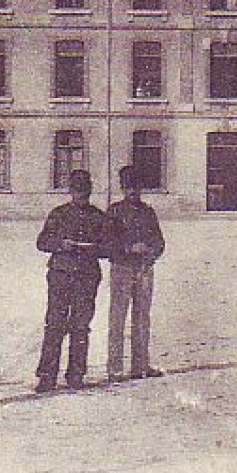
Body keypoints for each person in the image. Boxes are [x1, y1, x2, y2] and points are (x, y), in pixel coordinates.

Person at [35, 169, 110, 393]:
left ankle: (76, 374)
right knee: (55, 324)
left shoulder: (98, 216)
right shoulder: (58, 214)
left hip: (87, 276)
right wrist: (61, 244)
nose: (81, 195)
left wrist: (93, 248)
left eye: (84, 191)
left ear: (90, 190)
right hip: (60, 274)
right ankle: (47, 376)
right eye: (77, 190)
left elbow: (108, 247)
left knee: (80, 325)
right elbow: (42, 242)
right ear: (70, 191)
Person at [106, 165, 167, 382]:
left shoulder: (148, 212)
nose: (133, 191)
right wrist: (128, 249)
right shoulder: (114, 211)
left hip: (144, 269)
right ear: (122, 188)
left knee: (142, 319)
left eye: (136, 187)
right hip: (121, 269)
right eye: (128, 187)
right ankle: (114, 369)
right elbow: (106, 244)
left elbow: (159, 242)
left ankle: (140, 365)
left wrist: (149, 254)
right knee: (117, 319)